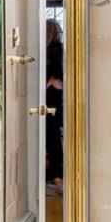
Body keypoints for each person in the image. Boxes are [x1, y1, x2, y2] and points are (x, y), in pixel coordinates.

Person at [44, 18, 64, 193]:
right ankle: (56, 176)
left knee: (51, 139)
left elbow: (52, 77)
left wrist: (49, 82)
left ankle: (57, 177)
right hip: (56, 100)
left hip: (50, 100)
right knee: (52, 138)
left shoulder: (51, 52)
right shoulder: (58, 51)